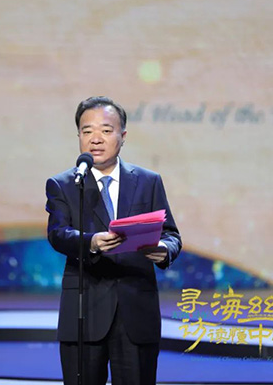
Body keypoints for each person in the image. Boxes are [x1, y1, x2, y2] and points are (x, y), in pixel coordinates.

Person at [45, 96, 182, 385]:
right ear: (79, 136)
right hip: (85, 311)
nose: (96, 139)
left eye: (106, 130)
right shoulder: (64, 184)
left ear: (123, 135)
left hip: (136, 311)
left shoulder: (148, 181)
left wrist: (164, 250)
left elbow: (171, 234)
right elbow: (57, 233)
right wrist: (91, 242)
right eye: (87, 131)